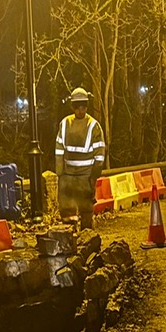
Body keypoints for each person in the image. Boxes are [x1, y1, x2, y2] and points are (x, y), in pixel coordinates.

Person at [55, 87, 106, 230]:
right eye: (77, 106)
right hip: (69, 176)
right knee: (67, 211)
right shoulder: (65, 124)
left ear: (87, 105)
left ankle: (87, 238)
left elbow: (100, 154)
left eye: (83, 106)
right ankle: (69, 239)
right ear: (73, 106)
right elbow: (59, 151)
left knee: (86, 211)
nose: (80, 110)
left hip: (85, 176)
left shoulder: (93, 126)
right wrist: (61, 174)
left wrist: (93, 176)